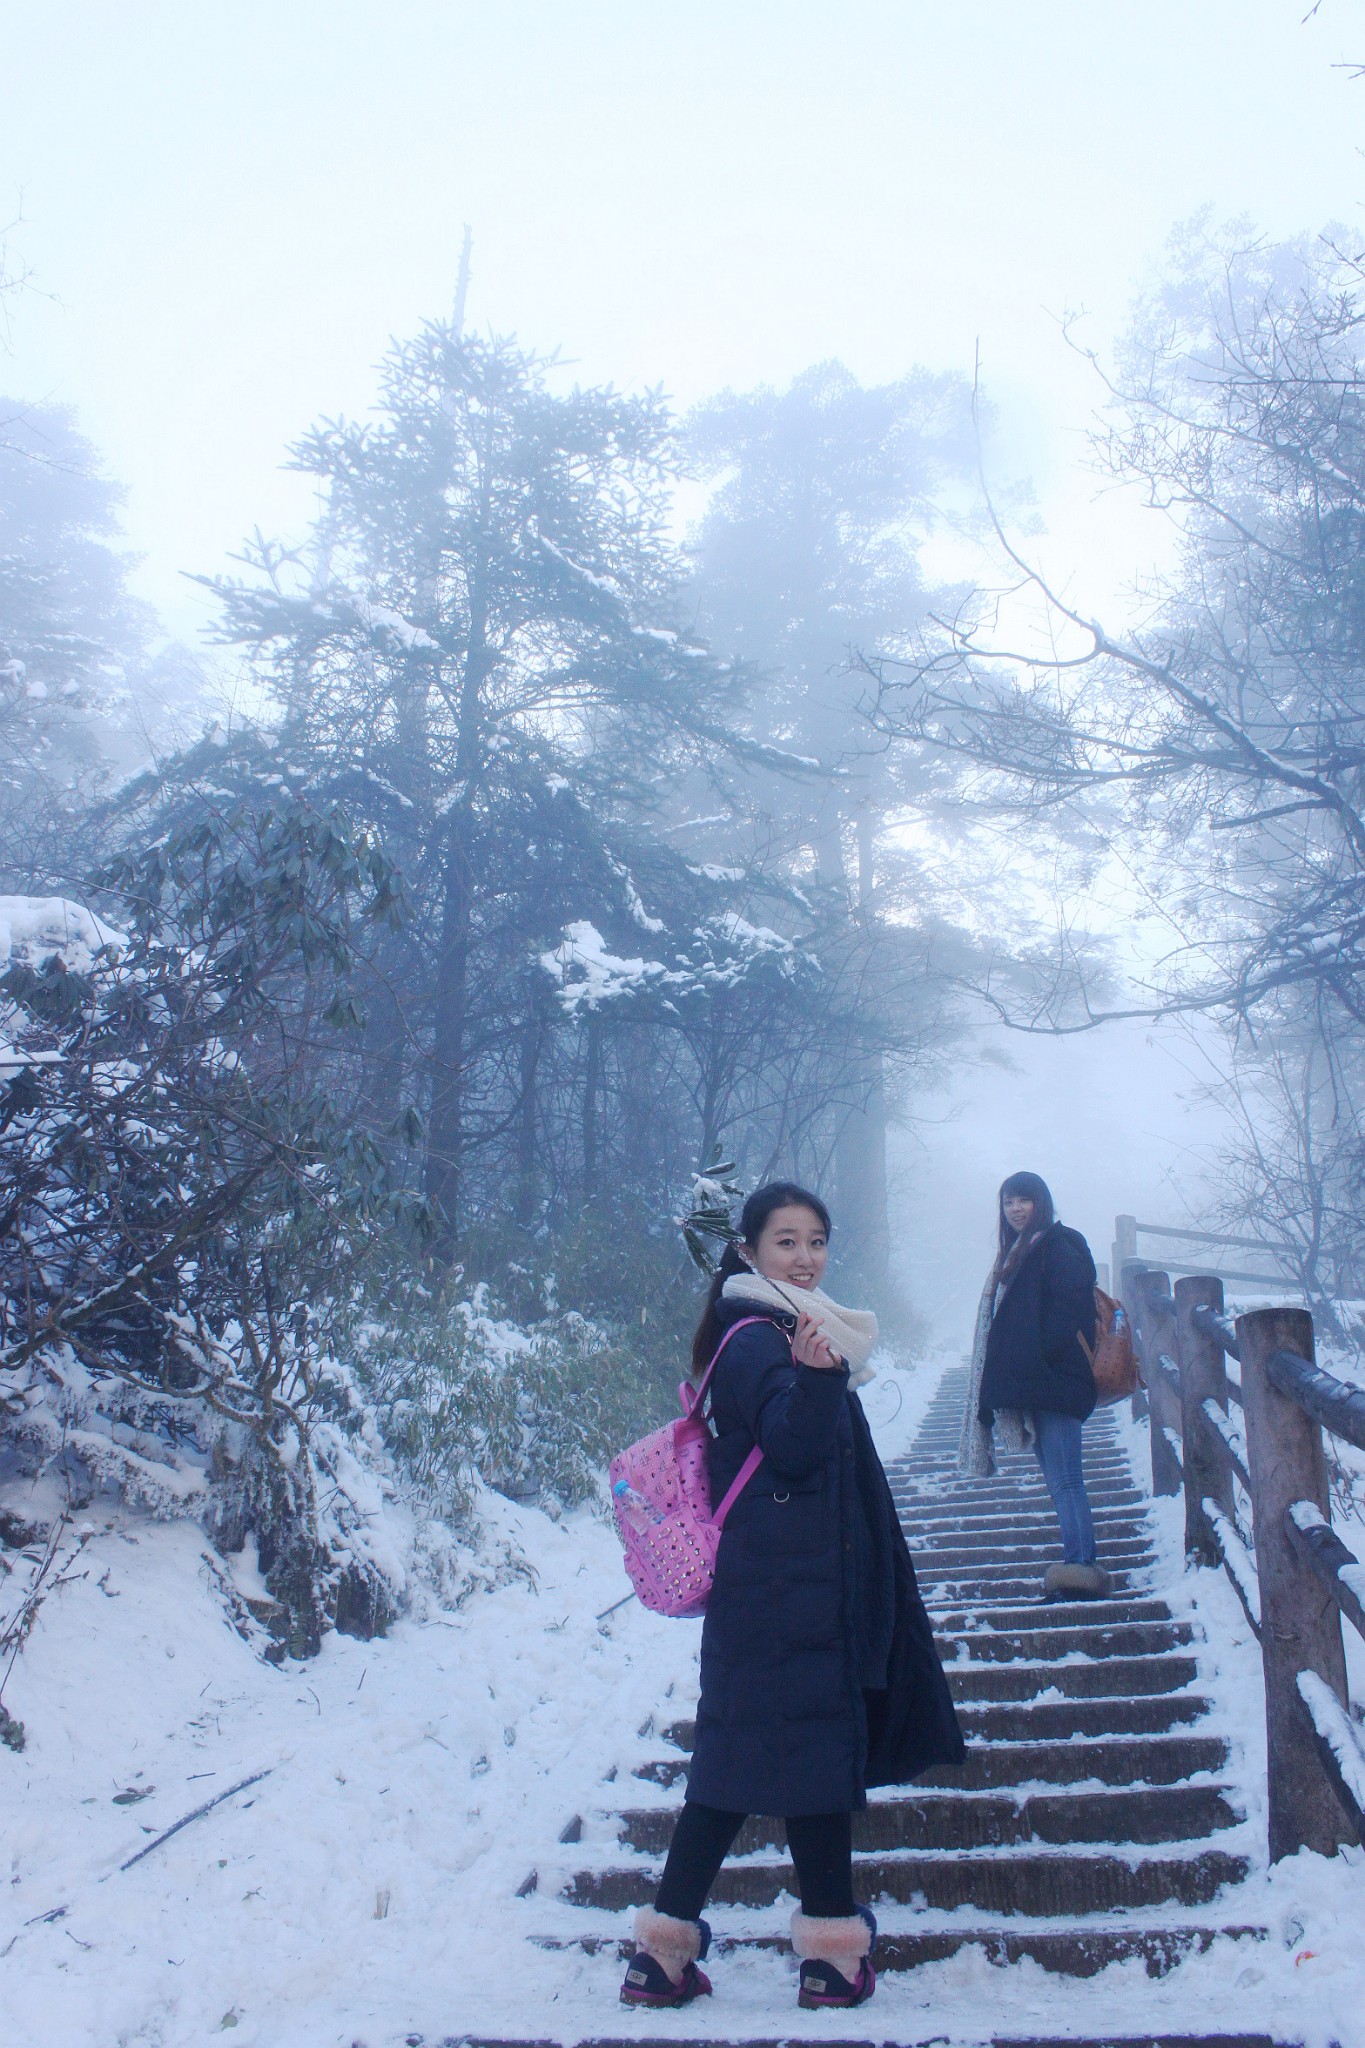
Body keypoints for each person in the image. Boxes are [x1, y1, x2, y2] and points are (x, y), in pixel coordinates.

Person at [621, 1181, 964, 2015]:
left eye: (815, 1241)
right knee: (776, 1767)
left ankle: (677, 1956)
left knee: (756, 1769)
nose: (805, 1257)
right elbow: (794, 1448)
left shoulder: (783, 1329)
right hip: (784, 1595)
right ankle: (823, 1958)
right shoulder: (756, 1339)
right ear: (748, 1252)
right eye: (785, 1242)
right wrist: (814, 1381)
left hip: (790, 1589)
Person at [958, 1170, 1109, 1603]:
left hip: (1056, 1382)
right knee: (1060, 1481)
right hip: (1041, 1384)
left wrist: (1040, 1365)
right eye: (1008, 1202)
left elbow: (1069, 1314)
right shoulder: (1021, 1252)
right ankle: (1079, 1564)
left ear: (1041, 1201)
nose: (1016, 1209)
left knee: (1066, 1481)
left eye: (1024, 1200)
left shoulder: (1060, 1245)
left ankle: (1080, 1569)